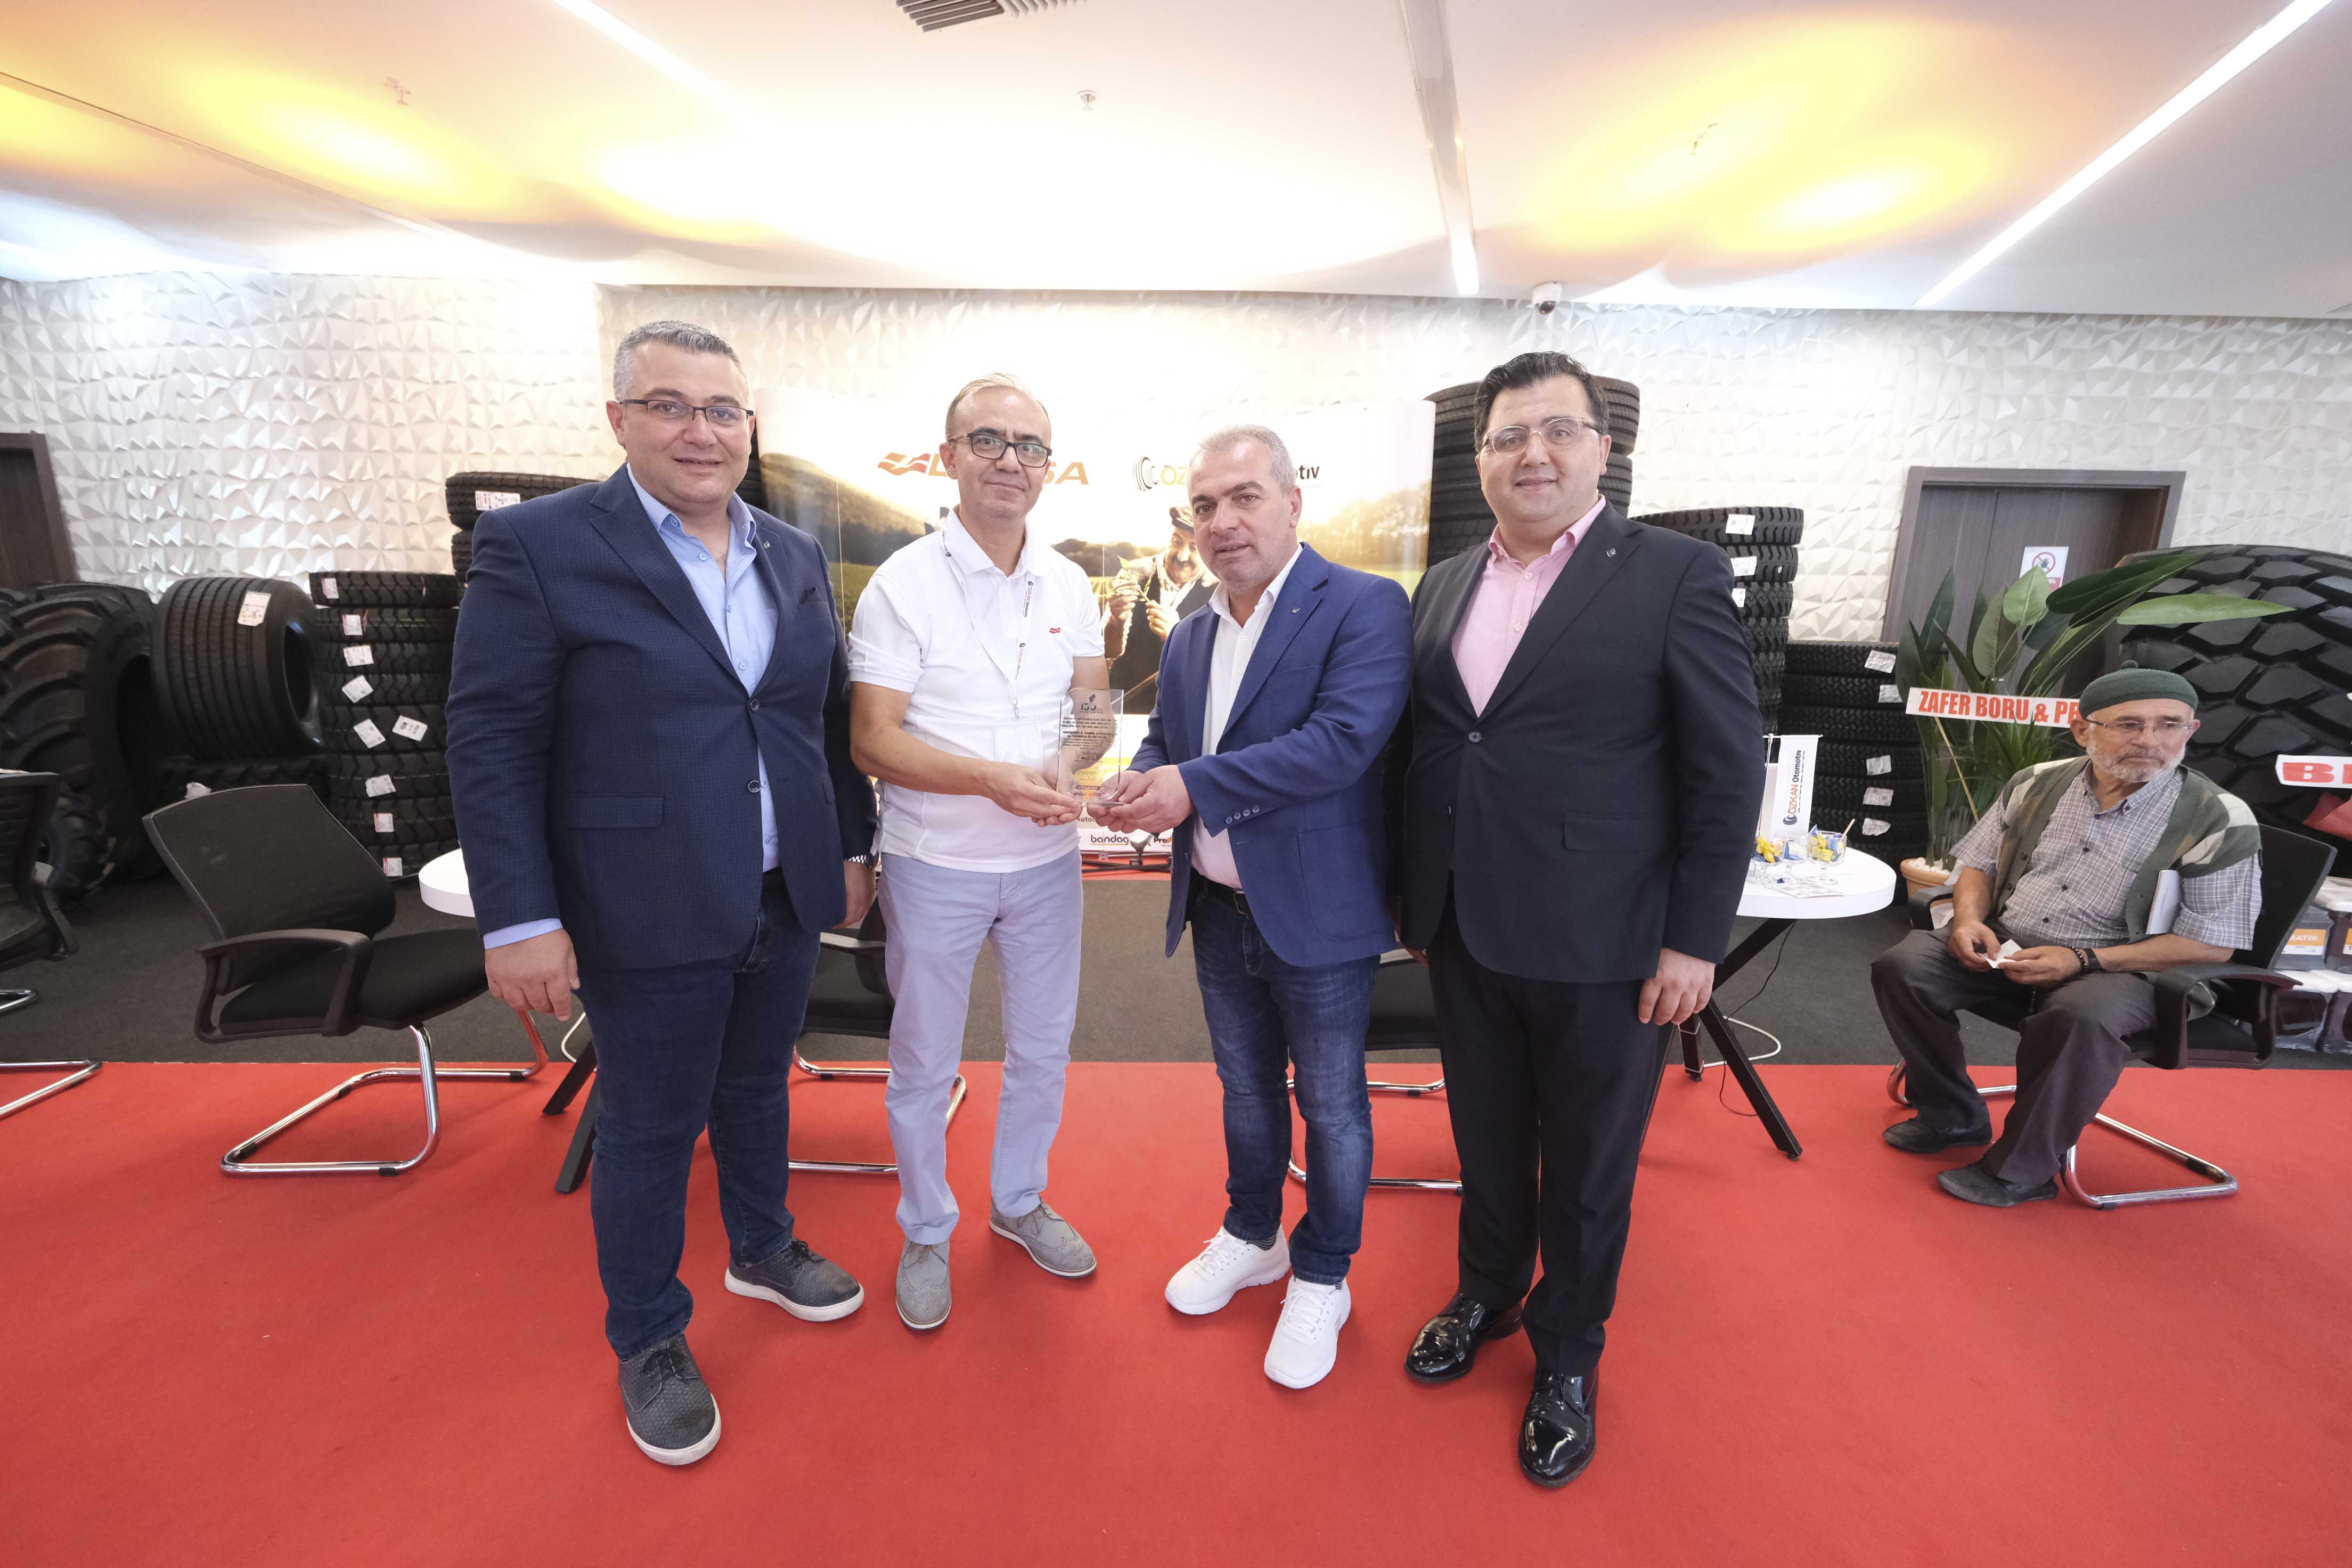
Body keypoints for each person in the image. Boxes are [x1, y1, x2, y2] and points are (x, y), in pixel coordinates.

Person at [448, 320, 877, 1467]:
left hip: (782, 887)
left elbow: (821, 713)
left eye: (723, 409)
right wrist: (521, 916)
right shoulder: (538, 545)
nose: (701, 430)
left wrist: (850, 843)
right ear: (619, 419)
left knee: (758, 1085)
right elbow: (491, 739)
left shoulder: (790, 551)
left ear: (750, 426)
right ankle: (647, 1333)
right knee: (649, 1124)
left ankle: (763, 1245)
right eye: (670, 405)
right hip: (638, 896)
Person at [1385, 350, 1762, 1488]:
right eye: (1508, 435)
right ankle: (1488, 1290)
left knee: (1590, 1163)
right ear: (1481, 459)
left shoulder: (1675, 574)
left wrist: (1695, 939)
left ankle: (1568, 1355)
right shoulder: (1444, 582)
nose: (1532, 453)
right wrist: (1412, 891)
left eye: (1558, 430)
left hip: (1609, 938)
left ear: (1604, 447)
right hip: (1464, 924)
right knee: (1488, 1135)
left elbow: (1725, 768)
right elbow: (1439, 745)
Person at [1092, 426, 1410, 1390]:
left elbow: (1341, 741)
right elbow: (1169, 738)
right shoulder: (1193, 629)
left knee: (1332, 1105)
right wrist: (1141, 780)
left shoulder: (1362, 604)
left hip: (1319, 909)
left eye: (1244, 498)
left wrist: (1188, 784)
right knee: (1244, 1089)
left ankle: (1324, 1271)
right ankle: (1253, 1230)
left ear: (1292, 502)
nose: (1223, 521)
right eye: (1204, 506)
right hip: (1218, 905)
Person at [847, 373, 1107, 1332]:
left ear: (1049, 466)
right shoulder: (902, 583)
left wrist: (1063, 767)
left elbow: (1093, 713)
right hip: (936, 862)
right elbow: (873, 740)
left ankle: (1019, 1199)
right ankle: (925, 1227)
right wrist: (992, 780)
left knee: (1043, 1047)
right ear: (949, 455)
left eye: (1030, 445)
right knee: (924, 1060)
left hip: (1046, 863)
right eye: (988, 440)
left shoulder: (1069, 582)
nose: (1010, 460)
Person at [1870, 666, 2262, 1206]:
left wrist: (2082, 960)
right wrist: (1967, 921)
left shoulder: (2219, 818)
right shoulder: (2037, 782)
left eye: (2169, 725)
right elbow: (1979, 866)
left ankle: (2023, 1169)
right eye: (2129, 724)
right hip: (2011, 942)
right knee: (1905, 967)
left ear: (2190, 730)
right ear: (2083, 731)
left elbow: (2212, 945)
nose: (2150, 741)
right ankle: (1952, 1113)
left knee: (2081, 1016)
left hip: (2128, 967)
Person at [1102, 509, 1214, 697]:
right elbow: (1107, 652)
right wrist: (1117, 621)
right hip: (1128, 700)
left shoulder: (1217, 589)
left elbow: (1217, 666)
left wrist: (1176, 636)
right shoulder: (1134, 573)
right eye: (1177, 542)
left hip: (1182, 701)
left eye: (1194, 547)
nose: (1182, 556)